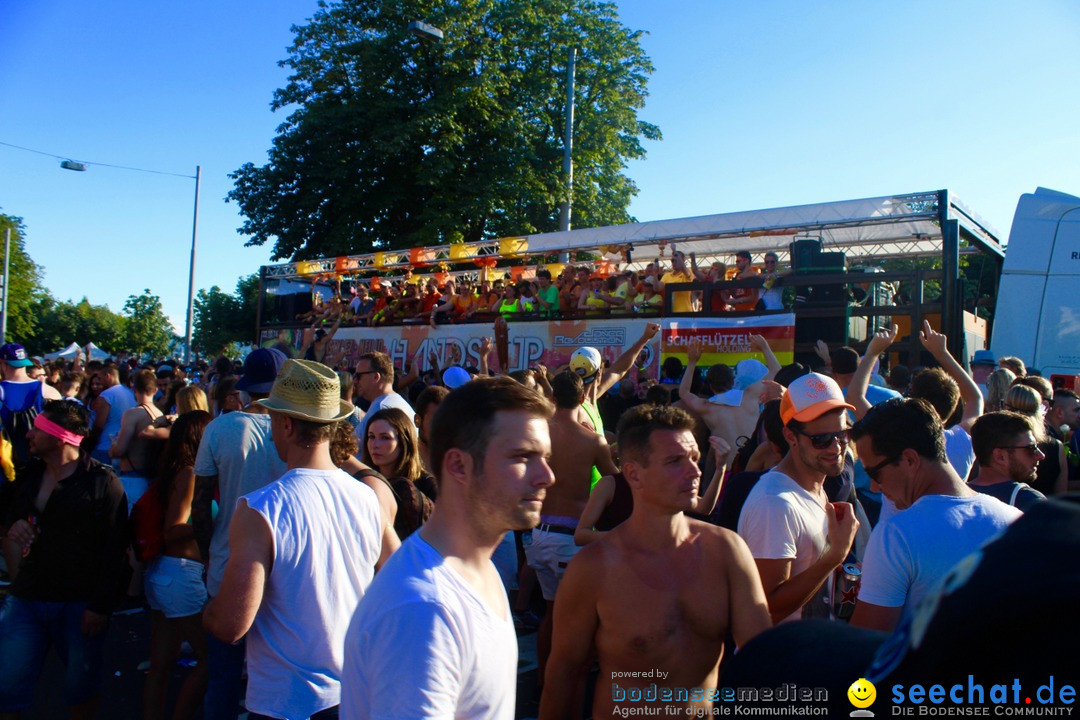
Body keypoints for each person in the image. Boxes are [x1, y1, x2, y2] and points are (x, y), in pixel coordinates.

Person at [341, 376, 555, 719]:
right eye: (522, 456)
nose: (547, 475)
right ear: (459, 465)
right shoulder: (424, 609)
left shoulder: (478, 570)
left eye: (545, 456)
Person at [540, 405, 772, 719]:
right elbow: (564, 675)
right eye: (675, 461)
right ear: (634, 473)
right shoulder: (595, 569)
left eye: (694, 457)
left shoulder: (726, 551)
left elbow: (762, 660)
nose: (694, 471)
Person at [204, 360, 391, 720]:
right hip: (355, 692)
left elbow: (231, 624)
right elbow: (400, 579)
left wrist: (207, 613)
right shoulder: (368, 497)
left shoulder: (260, 509)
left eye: (273, 418)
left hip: (287, 703)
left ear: (286, 424)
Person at [0, 400, 129, 719]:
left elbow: (116, 549)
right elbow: (9, 509)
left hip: (78, 603)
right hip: (27, 598)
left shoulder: (103, 483)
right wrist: (14, 522)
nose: (28, 434)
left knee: (80, 690)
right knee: (7, 688)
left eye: (37, 430)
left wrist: (100, 606)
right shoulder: (31, 473)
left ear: (59, 438)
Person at [848, 399, 1021, 633]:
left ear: (910, 460)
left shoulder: (896, 535)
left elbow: (866, 644)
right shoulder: (1016, 521)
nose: (875, 487)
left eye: (875, 473)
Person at [191, 347, 287, 720]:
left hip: (227, 564)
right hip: (282, 568)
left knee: (224, 677)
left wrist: (206, 554)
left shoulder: (221, 427)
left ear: (245, 387)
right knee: (273, 678)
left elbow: (200, 506)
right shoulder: (296, 429)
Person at [737, 372, 860, 623]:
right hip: (780, 658)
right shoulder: (775, 504)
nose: (836, 448)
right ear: (791, 436)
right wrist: (836, 554)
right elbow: (768, 607)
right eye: (821, 439)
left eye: (842, 434)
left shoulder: (813, 487)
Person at [525, 371, 619, 684]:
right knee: (578, 619)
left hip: (538, 535)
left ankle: (543, 679)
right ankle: (567, 683)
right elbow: (614, 481)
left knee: (552, 614)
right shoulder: (592, 440)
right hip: (571, 540)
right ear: (582, 399)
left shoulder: (539, 434)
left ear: (552, 397)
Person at [142, 410, 213, 720]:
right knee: (211, 660)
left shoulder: (174, 469)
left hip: (163, 575)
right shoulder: (189, 473)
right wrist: (211, 519)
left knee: (161, 663)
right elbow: (173, 529)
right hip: (181, 575)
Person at [677, 335, 780, 456]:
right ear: (733, 381)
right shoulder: (750, 395)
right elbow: (776, 371)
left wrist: (692, 361)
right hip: (754, 465)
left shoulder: (706, 407)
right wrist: (764, 347)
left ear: (710, 386)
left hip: (728, 469)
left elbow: (683, 392)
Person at [362, 407, 437, 541]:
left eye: (385, 438)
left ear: (404, 442)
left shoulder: (426, 485)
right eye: (371, 437)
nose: (375, 444)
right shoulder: (365, 484)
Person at [968, 411, 1049, 510]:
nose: (1041, 455)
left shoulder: (955, 497)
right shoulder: (1029, 501)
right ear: (1000, 456)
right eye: (1031, 448)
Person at [109, 368, 164, 511]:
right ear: (155, 390)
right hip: (153, 481)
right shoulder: (160, 414)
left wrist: (113, 447)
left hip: (131, 479)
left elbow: (120, 449)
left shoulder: (132, 414)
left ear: (133, 388)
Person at [353, 351, 415, 441]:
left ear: (376, 377)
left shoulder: (381, 408)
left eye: (358, 376)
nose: (355, 381)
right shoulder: (391, 403)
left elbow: (354, 449)